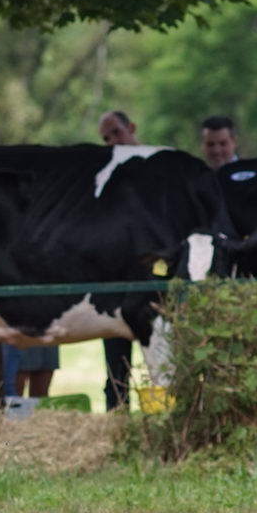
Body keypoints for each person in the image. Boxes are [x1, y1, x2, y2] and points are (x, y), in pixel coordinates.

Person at [96, 112, 137, 411]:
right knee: (116, 361)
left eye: (116, 133)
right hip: (117, 283)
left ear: (132, 128)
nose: (112, 141)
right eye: (106, 139)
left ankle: (161, 416)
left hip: (158, 279)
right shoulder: (105, 177)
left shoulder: (160, 168)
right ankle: (118, 415)